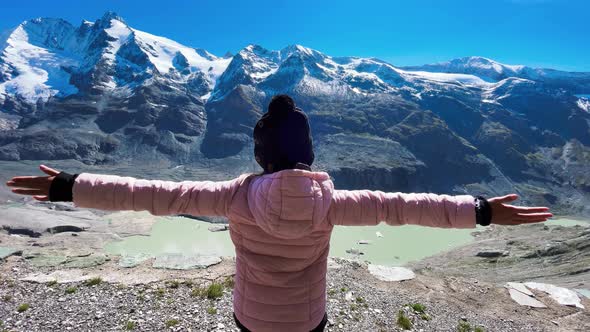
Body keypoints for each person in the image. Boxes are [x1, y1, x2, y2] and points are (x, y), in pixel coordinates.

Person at [6, 94, 552, 332]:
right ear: (308, 156)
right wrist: (480, 210)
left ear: (259, 157)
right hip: (306, 318)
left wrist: (71, 186)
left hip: (253, 316)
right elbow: (404, 207)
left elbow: (152, 192)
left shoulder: (231, 197)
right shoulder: (337, 204)